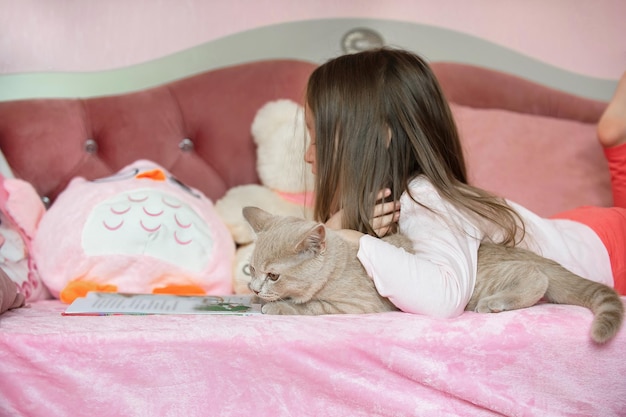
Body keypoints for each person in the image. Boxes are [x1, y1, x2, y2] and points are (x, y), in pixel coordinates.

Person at [303, 47, 626, 319]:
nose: (307, 155)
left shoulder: (424, 199)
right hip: (572, 231)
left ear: (378, 137)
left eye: (317, 139)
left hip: (611, 248)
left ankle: (617, 140)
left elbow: (443, 298)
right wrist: (337, 226)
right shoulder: (392, 200)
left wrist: (349, 238)